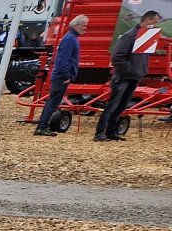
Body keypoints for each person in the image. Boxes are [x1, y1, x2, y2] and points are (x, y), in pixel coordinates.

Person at [96, 8, 162, 141]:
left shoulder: (144, 38)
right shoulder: (130, 35)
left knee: (121, 106)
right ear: (147, 20)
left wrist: (140, 71)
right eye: (154, 22)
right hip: (123, 77)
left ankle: (111, 132)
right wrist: (131, 70)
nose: (155, 25)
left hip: (133, 76)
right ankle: (99, 133)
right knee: (112, 105)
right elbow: (117, 57)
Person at [35, 14, 87, 135]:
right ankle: (42, 127)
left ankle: (42, 126)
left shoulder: (70, 38)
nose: (85, 28)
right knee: (53, 102)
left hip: (60, 75)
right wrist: (66, 76)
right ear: (77, 25)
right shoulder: (70, 39)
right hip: (61, 77)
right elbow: (63, 60)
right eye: (84, 26)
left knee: (52, 101)